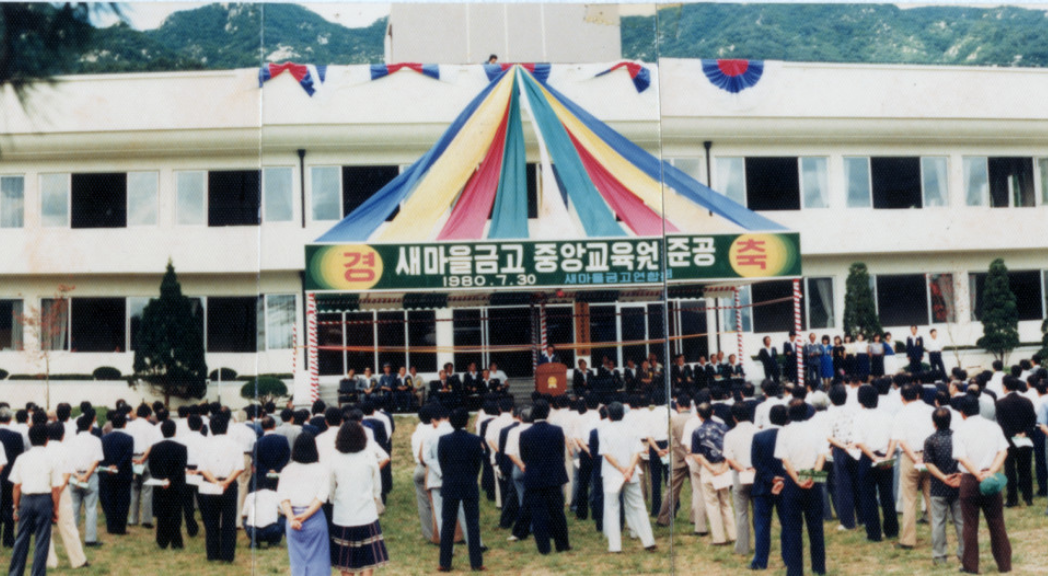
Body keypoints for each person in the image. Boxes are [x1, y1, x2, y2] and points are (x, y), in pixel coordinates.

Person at [953, 395, 1011, 574]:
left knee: (969, 525)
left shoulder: (960, 430)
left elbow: (962, 456)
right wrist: (991, 471)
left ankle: (971, 566)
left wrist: (977, 474)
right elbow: (1003, 451)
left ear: (961, 412)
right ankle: (1004, 564)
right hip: (990, 478)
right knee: (997, 522)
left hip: (970, 479)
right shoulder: (993, 427)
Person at [774, 399, 828, 576]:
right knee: (816, 526)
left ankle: (795, 570)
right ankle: (819, 568)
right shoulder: (817, 430)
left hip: (794, 477)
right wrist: (814, 476)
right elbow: (822, 455)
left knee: (793, 528)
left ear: (789, 413)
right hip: (812, 475)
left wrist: (797, 480)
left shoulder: (784, 432)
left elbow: (785, 459)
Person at [329, 422, 388, 576]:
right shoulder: (369, 458)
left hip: (343, 516)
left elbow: (331, 491)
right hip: (367, 515)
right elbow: (377, 489)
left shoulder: (334, 459)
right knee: (367, 561)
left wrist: (336, 501)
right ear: (362, 437)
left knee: (346, 563)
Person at [599, 402, 656, 553]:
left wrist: (622, 469)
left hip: (613, 474)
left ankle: (615, 546)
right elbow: (637, 452)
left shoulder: (604, 430)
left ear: (609, 416)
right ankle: (648, 541)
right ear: (623, 414)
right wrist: (628, 470)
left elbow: (606, 454)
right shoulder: (631, 430)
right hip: (629, 472)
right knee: (638, 505)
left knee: (612, 508)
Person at [519, 399, 571, 555]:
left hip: (535, 477)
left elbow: (524, 457)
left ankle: (544, 547)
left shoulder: (525, 434)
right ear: (548, 413)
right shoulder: (556, 430)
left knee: (538, 514)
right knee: (557, 512)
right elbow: (561, 453)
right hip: (554, 476)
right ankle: (562, 545)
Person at [437, 408, 484, 571]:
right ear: (467, 422)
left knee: (448, 523)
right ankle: (476, 563)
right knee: (473, 524)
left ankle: (444, 562)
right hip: (469, 484)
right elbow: (478, 464)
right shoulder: (475, 440)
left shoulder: (444, 440)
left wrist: (450, 476)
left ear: (450, 421)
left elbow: (442, 463)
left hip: (450, 484)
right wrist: (471, 476)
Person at [8, 424, 59, 576]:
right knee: (42, 540)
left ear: (29, 439)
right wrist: (55, 509)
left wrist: (16, 507)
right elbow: (56, 488)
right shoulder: (52, 459)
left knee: (21, 538)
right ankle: (37, 573)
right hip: (44, 500)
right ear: (47, 439)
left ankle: (15, 572)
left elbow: (17, 486)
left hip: (27, 500)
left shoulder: (22, 458)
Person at [278, 433, 331, 576]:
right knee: (319, 562)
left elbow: (283, 497)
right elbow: (321, 497)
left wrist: (292, 518)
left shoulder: (287, 470)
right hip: (314, 517)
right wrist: (305, 515)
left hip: (294, 520)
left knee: (297, 563)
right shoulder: (322, 469)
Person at [852, 385, 898, 542]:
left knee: (868, 496)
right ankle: (891, 530)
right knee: (887, 495)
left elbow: (858, 441)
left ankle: (874, 533)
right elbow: (894, 438)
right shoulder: (887, 416)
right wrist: (888, 456)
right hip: (885, 456)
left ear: (861, 400)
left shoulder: (859, 417)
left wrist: (873, 456)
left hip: (868, 457)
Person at [197, 413, 244, 563]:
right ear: (227, 428)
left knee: (211, 520)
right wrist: (227, 482)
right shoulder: (235, 445)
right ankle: (228, 555)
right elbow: (239, 467)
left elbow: (203, 468)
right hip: (228, 485)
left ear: (210, 428)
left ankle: (212, 554)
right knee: (229, 521)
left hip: (211, 484)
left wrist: (215, 482)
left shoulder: (205, 444)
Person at [923, 407, 964, 566]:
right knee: (961, 521)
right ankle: (965, 552)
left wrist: (942, 477)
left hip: (938, 487)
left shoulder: (931, 440)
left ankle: (939, 556)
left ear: (934, 423)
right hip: (958, 484)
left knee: (938, 523)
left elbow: (928, 463)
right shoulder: (958, 438)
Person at [43, 423, 87, 570]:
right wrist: (57, 491)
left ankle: (49, 561)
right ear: (62, 435)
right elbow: (66, 475)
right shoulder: (65, 450)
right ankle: (78, 560)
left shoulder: (44, 450)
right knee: (68, 525)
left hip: (43, 491)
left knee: (44, 528)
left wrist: (49, 492)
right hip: (61, 492)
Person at [691, 402, 736, 546]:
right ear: (713, 412)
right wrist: (724, 467)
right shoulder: (724, 428)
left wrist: (710, 468)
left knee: (711, 503)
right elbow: (730, 451)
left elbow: (697, 455)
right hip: (723, 466)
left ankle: (719, 538)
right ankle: (734, 534)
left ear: (698, 415)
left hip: (708, 469)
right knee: (725, 502)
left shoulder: (697, 432)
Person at [749, 404, 787, 571]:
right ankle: (789, 558)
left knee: (762, 525)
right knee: (787, 523)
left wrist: (770, 477)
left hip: (764, 485)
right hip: (786, 484)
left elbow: (755, 462)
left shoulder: (759, 437)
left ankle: (760, 561)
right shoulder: (788, 435)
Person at [996, 375, 1036, 507]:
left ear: (1005, 387)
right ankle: (1028, 497)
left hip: (1009, 441)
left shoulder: (1000, 403)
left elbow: (1001, 424)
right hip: (1025, 439)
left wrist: (1013, 434)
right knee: (1025, 469)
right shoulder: (1027, 401)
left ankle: (1012, 499)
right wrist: (1024, 433)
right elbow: (1032, 420)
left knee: (1010, 470)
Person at [724, 402, 758, 556]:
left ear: (734, 417)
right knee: (759, 512)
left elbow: (729, 458)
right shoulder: (758, 431)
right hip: (757, 474)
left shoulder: (730, 435)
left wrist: (743, 470)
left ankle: (742, 548)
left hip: (740, 474)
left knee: (741, 513)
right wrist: (753, 469)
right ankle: (761, 544)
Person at [148, 420, 187, 550]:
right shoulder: (181, 448)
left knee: (162, 513)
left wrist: (161, 479)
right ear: (175, 431)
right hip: (176, 484)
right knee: (175, 513)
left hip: (160, 484)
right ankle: (176, 542)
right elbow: (181, 467)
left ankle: (162, 540)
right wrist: (170, 479)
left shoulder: (155, 447)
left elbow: (151, 466)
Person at [656, 394, 693, 527]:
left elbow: (671, 440)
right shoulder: (696, 419)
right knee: (697, 490)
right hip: (693, 457)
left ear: (678, 406)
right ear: (690, 405)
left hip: (677, 457)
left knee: (671, 489)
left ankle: (663, 518)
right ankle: (696, 518)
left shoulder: (674, 419)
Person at [66, 414, 102, 549]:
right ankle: (90, 538)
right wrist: (86, 475)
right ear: (90, 426)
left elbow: (67, 462)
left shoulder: (70, 441)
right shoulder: (95, 440)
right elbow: (96, 460)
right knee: (91, 508)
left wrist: (77, 475)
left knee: (74, 507)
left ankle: (72, 538)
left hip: (74, 476)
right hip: (90, 476)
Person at [100, 411, 134, 535]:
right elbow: (127, 456)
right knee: (123, 501)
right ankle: (120, 527)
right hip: (123, 473)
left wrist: (109, 467)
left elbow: (101, 456)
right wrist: (117, 466)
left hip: (108, 472)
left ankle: (110, 526)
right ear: (125, 424)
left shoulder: (104, 438)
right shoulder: (129, 438)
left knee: (110, 499)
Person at [0, 407, 25, 548]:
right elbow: (19, 457)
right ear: (10, 419)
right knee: (10, 506)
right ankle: (8, 539)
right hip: (10, 475)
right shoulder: (16, 436)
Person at [255, 416, 291, 491]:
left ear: (262, 427)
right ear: (274, 425)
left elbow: (256, 460)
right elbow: (286, 456)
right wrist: (276, 469)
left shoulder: (258, 442)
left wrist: (267, 471)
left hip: (263, 476)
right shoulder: (283, 439)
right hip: (280, 473)